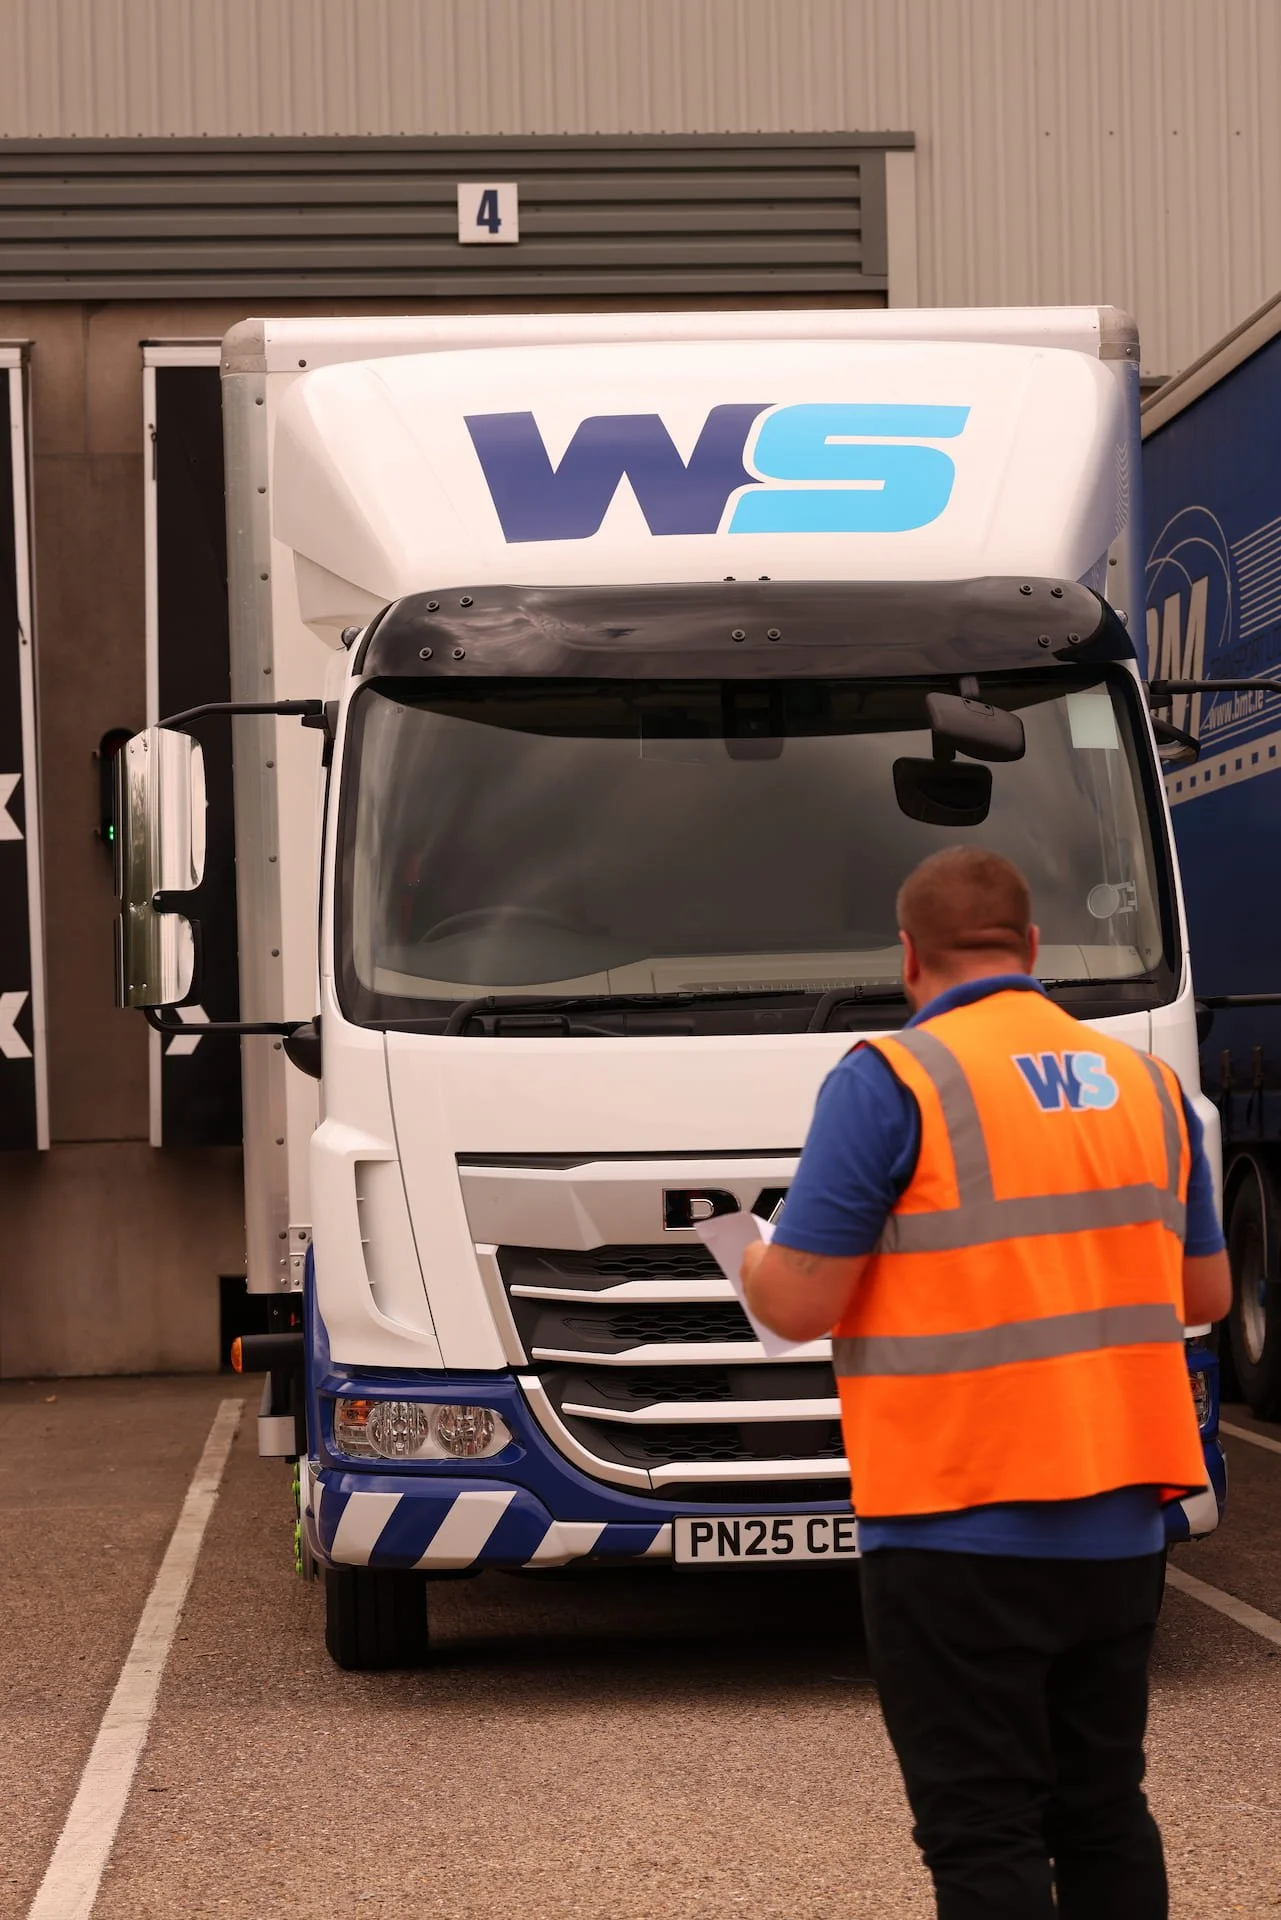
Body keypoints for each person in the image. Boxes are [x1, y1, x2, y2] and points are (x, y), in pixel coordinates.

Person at [742, 846, 1230, 1920]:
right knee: (1102, 1808)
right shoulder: (1152, 1090)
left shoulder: (893, 1080)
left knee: (983, 1832)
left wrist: (749, 1257)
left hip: (955, 1525)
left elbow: (797, 1306)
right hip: (1121, 1524)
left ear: (908, 956)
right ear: (1034, 952)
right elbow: (1208, 1291)